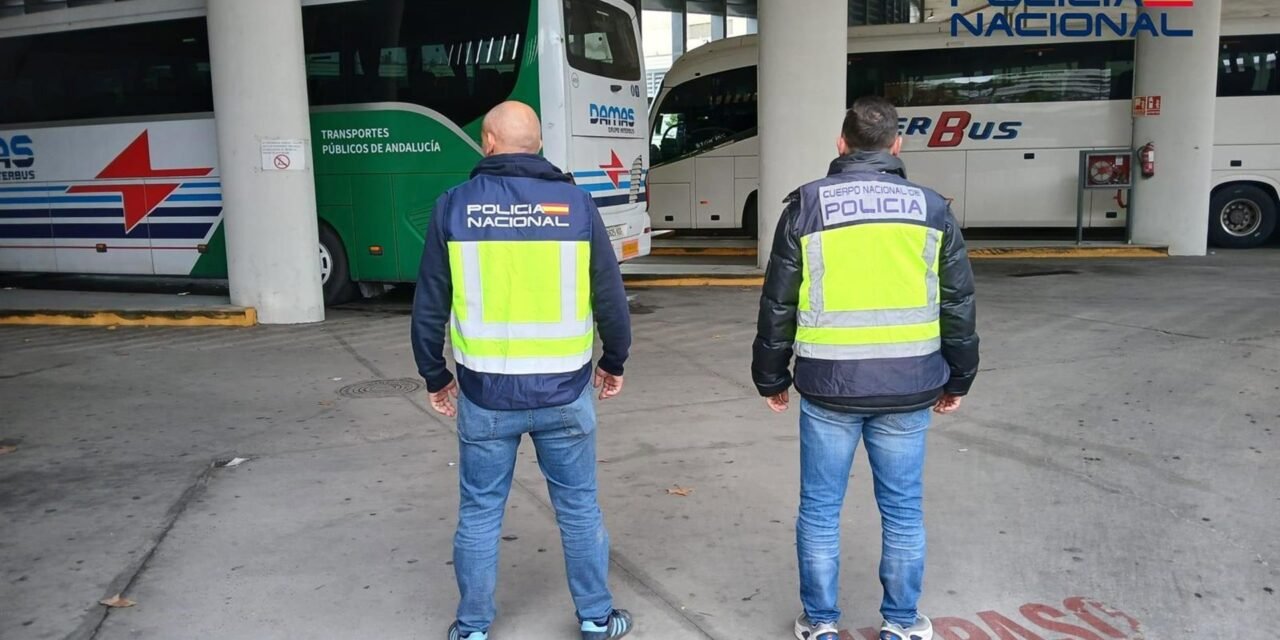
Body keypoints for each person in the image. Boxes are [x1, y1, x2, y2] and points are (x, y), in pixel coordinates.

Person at [751, 96, 979, 640]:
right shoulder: (931, 209)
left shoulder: (806, 206)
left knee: (820, 511)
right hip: (909, 385)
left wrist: (771, 375)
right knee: (902, 512)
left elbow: (778, 302)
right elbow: (958, 303)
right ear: (897, 145)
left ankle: (821, 624)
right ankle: (900, 624)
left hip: (829, 387)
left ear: (841, 144)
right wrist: (960, 377)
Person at [411, 101, 634, 640]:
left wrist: (435, 375)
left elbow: (429, 304)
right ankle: (597, 619)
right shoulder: (577, 206)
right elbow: (610, 295)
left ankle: (471, 627)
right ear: (536, 144)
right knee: (579, 508)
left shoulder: (453, 207)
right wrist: (614, 360)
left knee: (481, 513)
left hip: (486, 395)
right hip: (565, 390)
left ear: (489, 141)